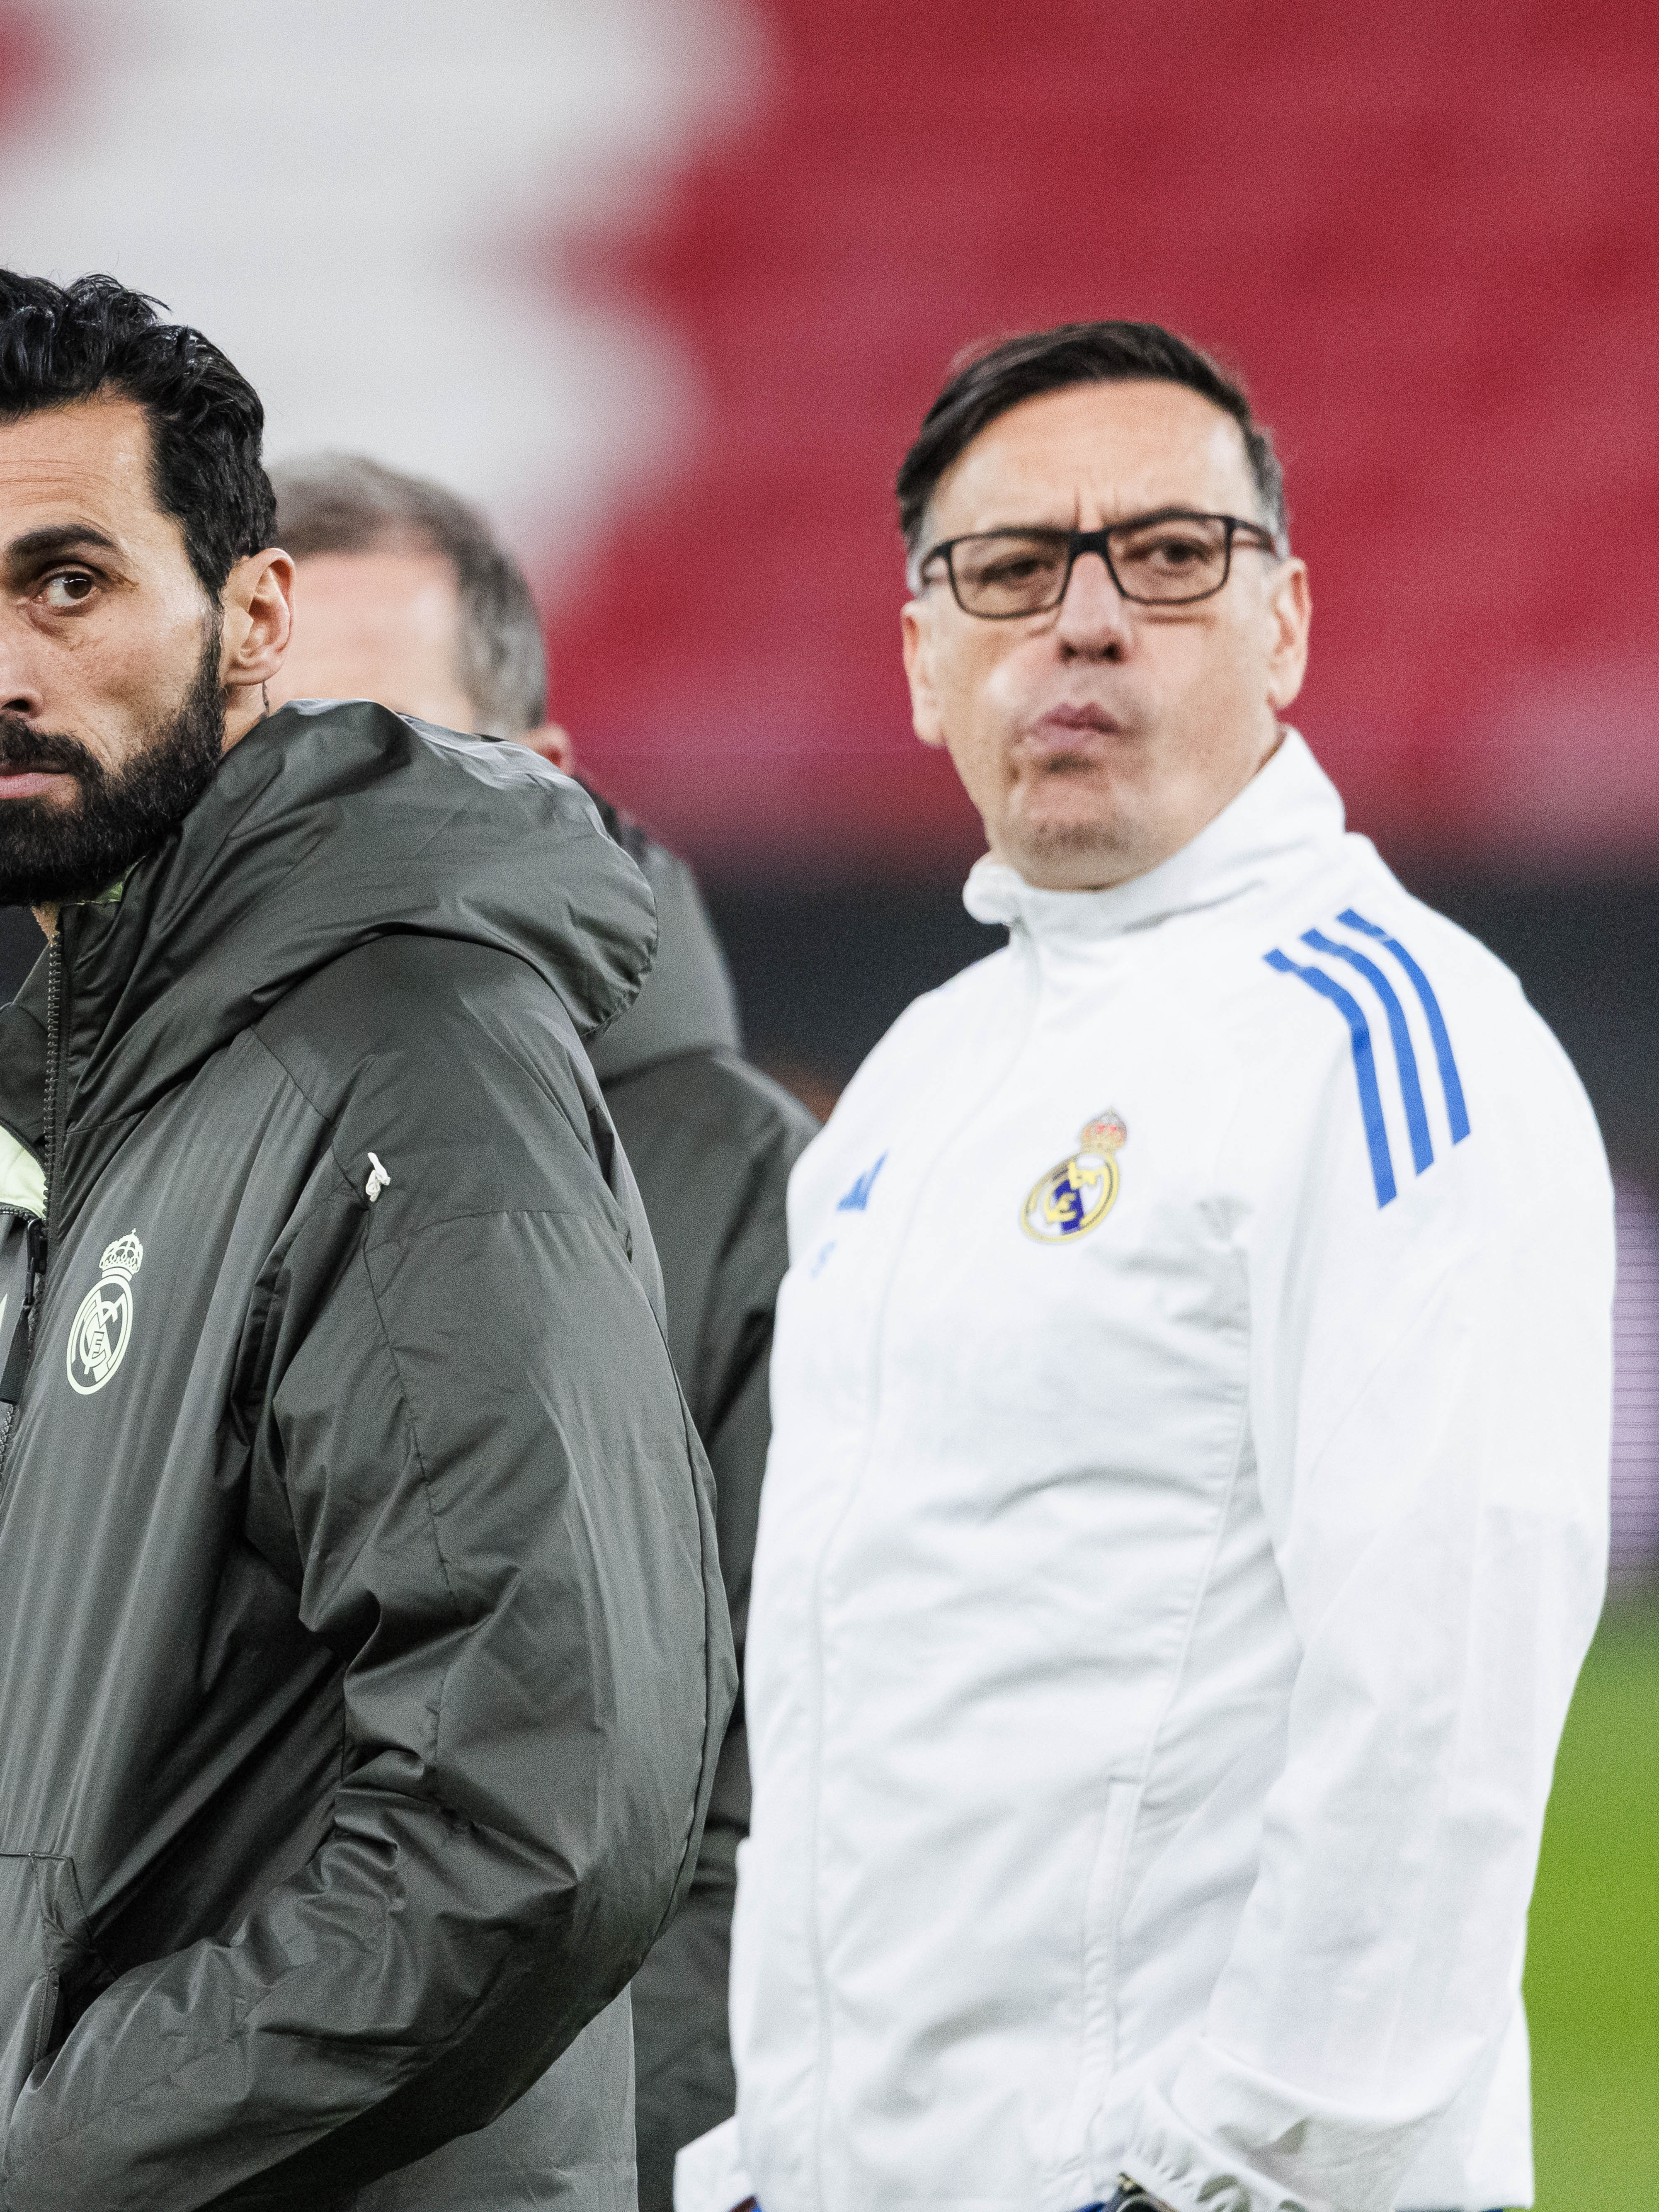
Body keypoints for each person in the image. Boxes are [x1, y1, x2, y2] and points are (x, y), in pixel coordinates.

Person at [0, 264, 730, 2212]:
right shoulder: (98, 1097)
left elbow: (534, 1807)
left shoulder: (409, 1058)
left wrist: (60, 2149)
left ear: (253, 620)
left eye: (66, 581)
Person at [682, 323, 1611, 2212]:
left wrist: (1228, 2177)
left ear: (1281, 626)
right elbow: (842, 1700)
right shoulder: (914, 1087)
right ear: (921, 659)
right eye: (1009, 569)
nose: (1086, 619)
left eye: (1170, 556)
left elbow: (1434, 1690)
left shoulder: (1389, 1038)